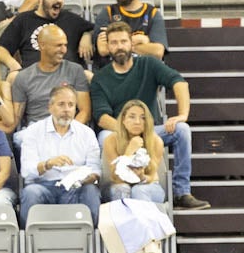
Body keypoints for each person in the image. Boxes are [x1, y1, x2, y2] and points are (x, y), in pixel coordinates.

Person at [89, 22, 208, 210]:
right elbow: (102, 117)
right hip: (119, 132)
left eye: (123, 41)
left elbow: (179, 83)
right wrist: (129, 132)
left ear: (131, 43)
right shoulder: (100, 78)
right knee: (104, 137)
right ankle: (115, 185)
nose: (119, 46)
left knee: (182, 130)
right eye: (113, 43)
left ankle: (181, 192)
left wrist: (182, 115)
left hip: (151, 131)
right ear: (108, 47)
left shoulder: (148, 63)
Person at [17, 85, 100, 225]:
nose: (66, 109)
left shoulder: (86, 134)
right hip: (43, 186)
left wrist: (87, 177)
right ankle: (28, 242)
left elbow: (95, 169)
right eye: (61, 104)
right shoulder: (33, 132)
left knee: (91, 191)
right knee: (31, 193)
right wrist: (47, 164)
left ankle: (93, 239)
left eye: (71, 105)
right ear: (50, 107)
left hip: (75, 187)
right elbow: (26, 171)